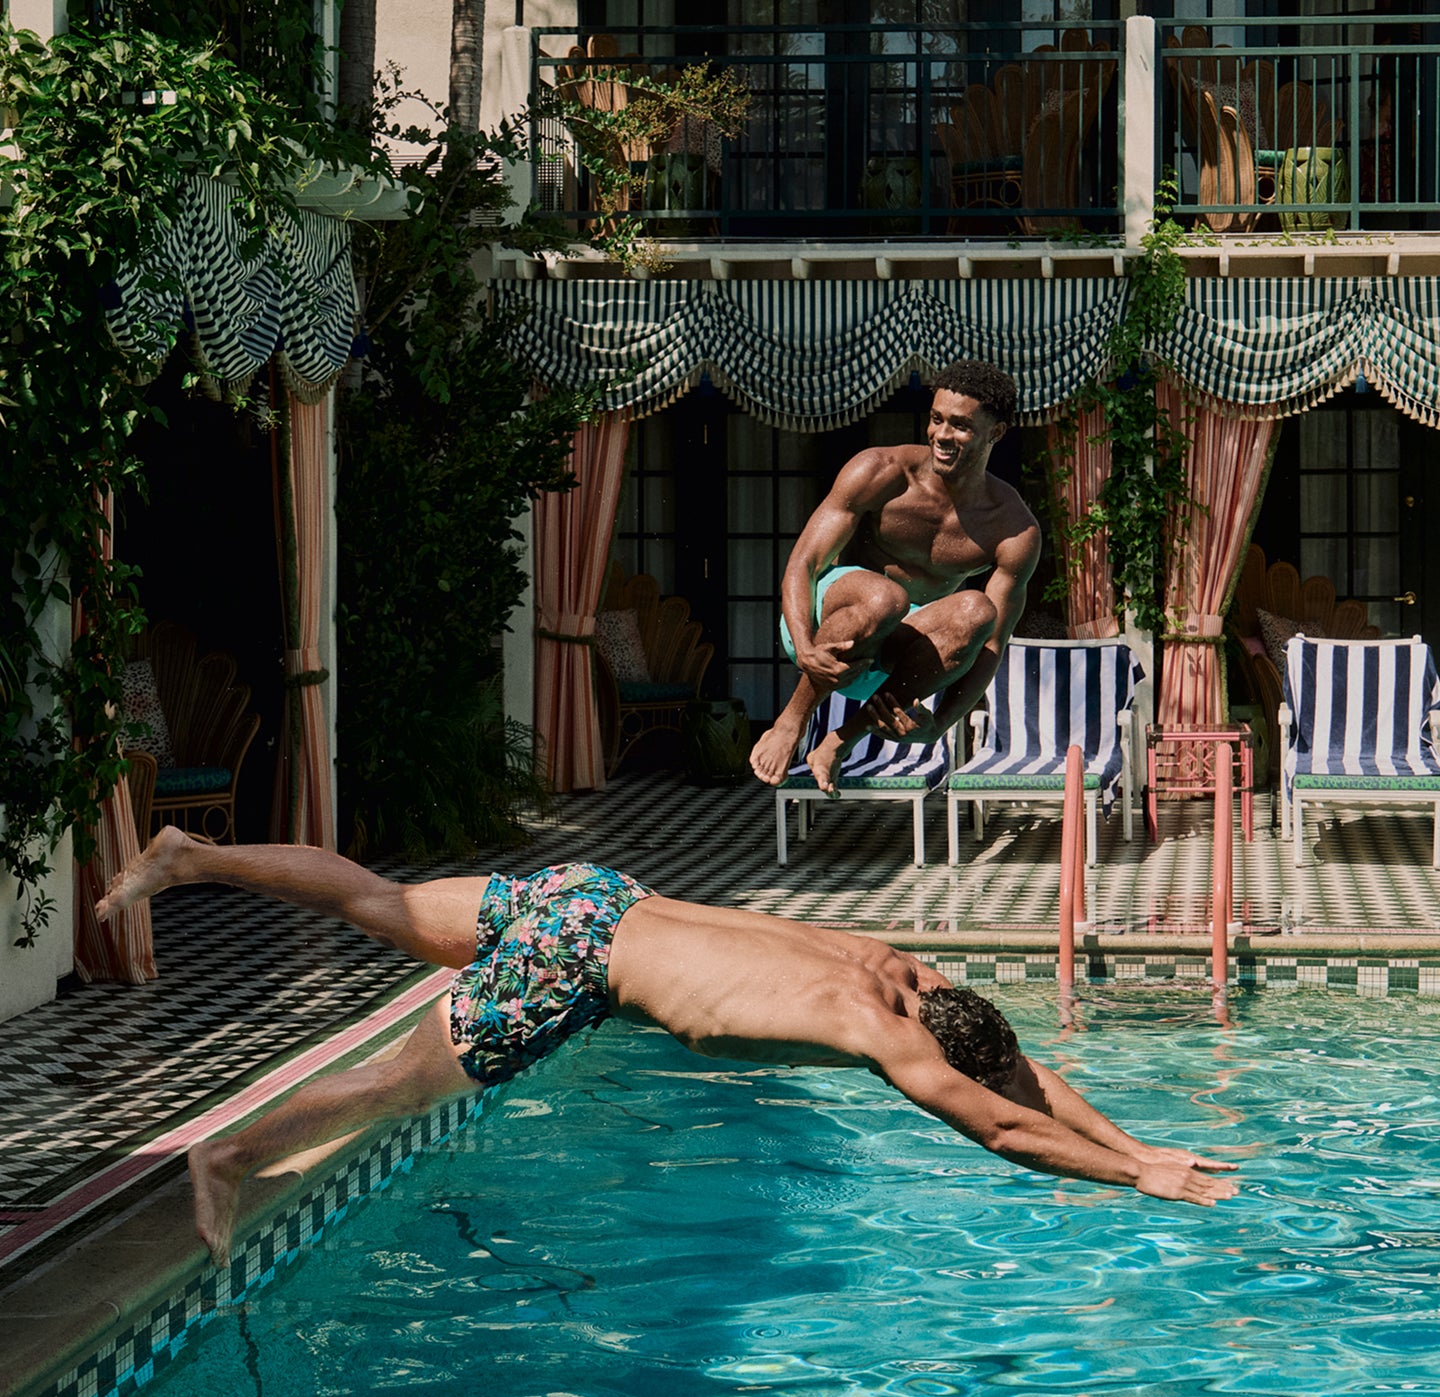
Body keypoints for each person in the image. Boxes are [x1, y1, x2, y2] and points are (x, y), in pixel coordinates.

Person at [97, 830, 1238, 1266]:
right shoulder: (884, 1037)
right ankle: (226, 1159)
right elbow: (999, 1117)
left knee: (384, 903)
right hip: (575, 970)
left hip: (594, 896)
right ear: (936, 1045)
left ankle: (189, 856)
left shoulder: (904, 969)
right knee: (402, 1087)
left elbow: (1026, 1073)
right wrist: (1136, 1174)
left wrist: (1141, 1141)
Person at [750, 359, 1042, 794]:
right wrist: (806, 646)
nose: (942, 435)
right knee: (885, 597)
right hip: (824, 626)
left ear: (995, 433)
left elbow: (992, 645)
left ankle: (839, 741)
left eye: (960, 426)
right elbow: (804, 563)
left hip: (896, 660)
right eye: (937, 419)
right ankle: (791, 721)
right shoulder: (880, 471)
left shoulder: (1013, 528)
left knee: (978, 609)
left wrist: (938, 724)